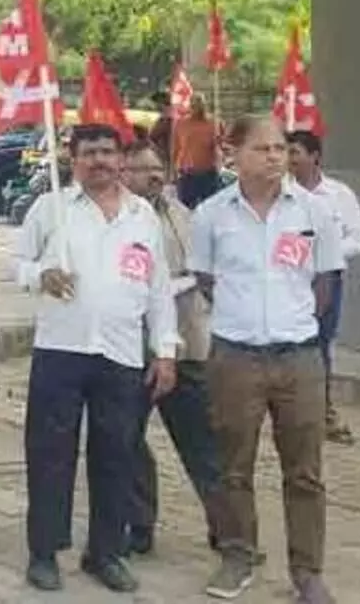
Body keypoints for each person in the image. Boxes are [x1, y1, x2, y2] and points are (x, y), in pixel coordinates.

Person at [14, 123, 178, 593]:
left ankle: (104, 552)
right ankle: (44, 552)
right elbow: (17, 264)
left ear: (121, 158)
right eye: (89, 153)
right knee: (49, 456)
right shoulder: (52, 210)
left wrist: (165, 351)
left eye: (107, 152)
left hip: (121, 355)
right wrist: (40, 275)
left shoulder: (142, 216)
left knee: (116, 457)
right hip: (60, 352)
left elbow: (158, 289)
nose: (100, 160)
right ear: (73, 158)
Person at [191, 115, 343, 603]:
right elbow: (206, 279)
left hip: (299, 359)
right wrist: (245, 320)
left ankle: (308, 572)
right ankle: (238, 556)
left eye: (280, 148)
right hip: (235, 358)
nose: (276, 156)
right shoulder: (212, 215)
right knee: (233, 465)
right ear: (233, 153)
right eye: (263, 148)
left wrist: (291, 324)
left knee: (305, 471)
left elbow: (324, 285)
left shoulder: (314, 213)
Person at [120, 140, 223, 556]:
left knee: (203, 444)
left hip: (188, 347)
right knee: (128, 441)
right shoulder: (121, 220)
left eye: (158, 167)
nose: (154, 175)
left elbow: (205, 270)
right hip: (134, 351)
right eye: (143, 168)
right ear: (124, 173)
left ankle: (227, 527)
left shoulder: (184, 214)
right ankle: (139, 524)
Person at [286, 130, 360, 445]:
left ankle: (324, 413)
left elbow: (358, 239)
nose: (289, 160)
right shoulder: (281, 194)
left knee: (318, 346)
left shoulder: (339, 195)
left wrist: (325, 251)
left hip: (326, 279)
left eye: (295, 152)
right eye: (287, 153)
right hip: (289, 280)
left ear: (314, 156)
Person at [173, 94, 221, 208]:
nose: (196, 107)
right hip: (187, 175)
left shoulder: (214, 124)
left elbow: (222, 146)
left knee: (210, 209)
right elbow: (175, 148)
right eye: (193, 104)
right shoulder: (181, 124)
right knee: (184, 210)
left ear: (204, 106)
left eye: (199, 104)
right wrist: (173, 171)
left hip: (208, 174)